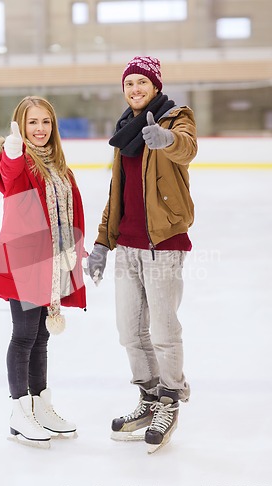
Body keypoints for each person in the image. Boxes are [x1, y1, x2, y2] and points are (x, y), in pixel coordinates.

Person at [86, 56, 197, 453]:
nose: (135, 89)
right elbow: (117, 193)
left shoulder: (174, 119)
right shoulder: (123, 132)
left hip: (163, 243)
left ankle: (170, 399)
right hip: (128, 246)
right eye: (129, 83)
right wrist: (102, 242)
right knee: (129, 332)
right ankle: (149, 398)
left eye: (142, 82)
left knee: (165, 331)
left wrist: (168, 141)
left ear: (155, 86)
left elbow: (187, 147)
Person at [0, 96, 86, 448]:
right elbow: (6, 181)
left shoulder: (59, 167)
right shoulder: (16, 160)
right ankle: (19, 410)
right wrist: (12, 152)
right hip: (26, 261)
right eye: (32, 123)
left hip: (54, 261)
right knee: (25, 334)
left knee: (41, 336)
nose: (39, 129)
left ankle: (41, 404)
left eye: (45, 122)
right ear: (21, 126)